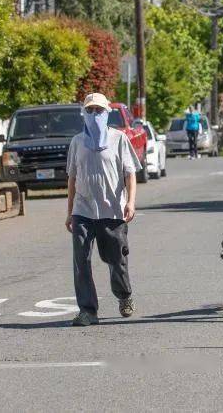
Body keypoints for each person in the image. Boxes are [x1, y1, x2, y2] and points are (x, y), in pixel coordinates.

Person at [65, 92, 140, 326]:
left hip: (113, 211)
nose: (94, 114)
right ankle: (88, 310)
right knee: (81, 259)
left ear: (107, 112)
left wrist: (130, 202)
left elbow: (130, 173)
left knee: (115, 258)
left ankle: (124, 295)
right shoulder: (77, 142)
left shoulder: (119, 139)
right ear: (83, 114)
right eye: (89, 110)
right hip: (83, 211)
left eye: (99, 110)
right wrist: (69, 212)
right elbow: (72, 179)